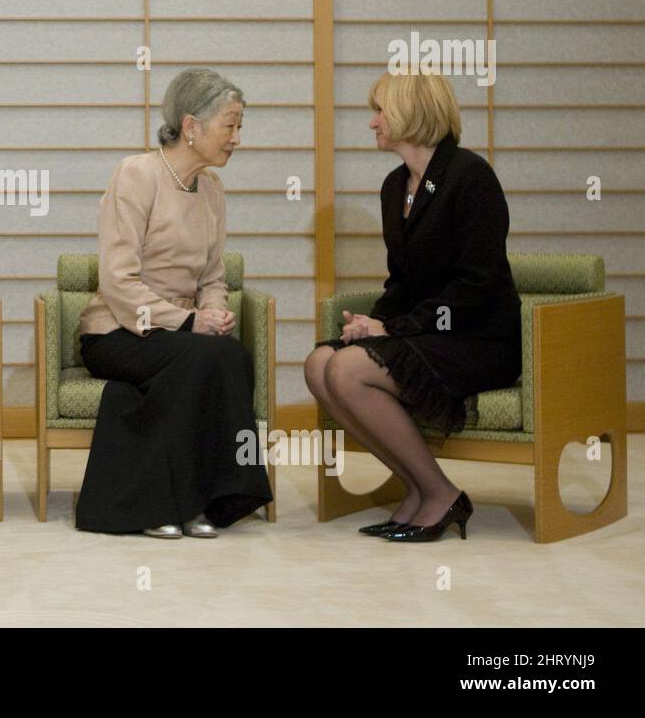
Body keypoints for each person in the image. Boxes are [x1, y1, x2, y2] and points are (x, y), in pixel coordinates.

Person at [304, 70, 521, 543]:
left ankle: (440, 493)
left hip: (477, 337)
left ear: (410, 113)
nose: (372, 123)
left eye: (379, 112)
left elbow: (476, 284)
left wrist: (396, 329)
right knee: (321, 363)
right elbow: (402, 280)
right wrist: (374, 322)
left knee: (346, 371)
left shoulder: (470, 177)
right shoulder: (394, 186)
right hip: (426, 333)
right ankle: (419, 489)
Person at [75, 68, 273, 538]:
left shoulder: (212, 190)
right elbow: (118, 280)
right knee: (209, 357)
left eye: (239, 126)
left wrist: (215, 310)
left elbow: (212, 276)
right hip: (119, 330)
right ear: (191, 126)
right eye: (230, 125)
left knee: (221, 354)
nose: (237, 138)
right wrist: (188, 322)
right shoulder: (136, 174)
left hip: (182, 334)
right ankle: (178, 504)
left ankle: (193, 502)